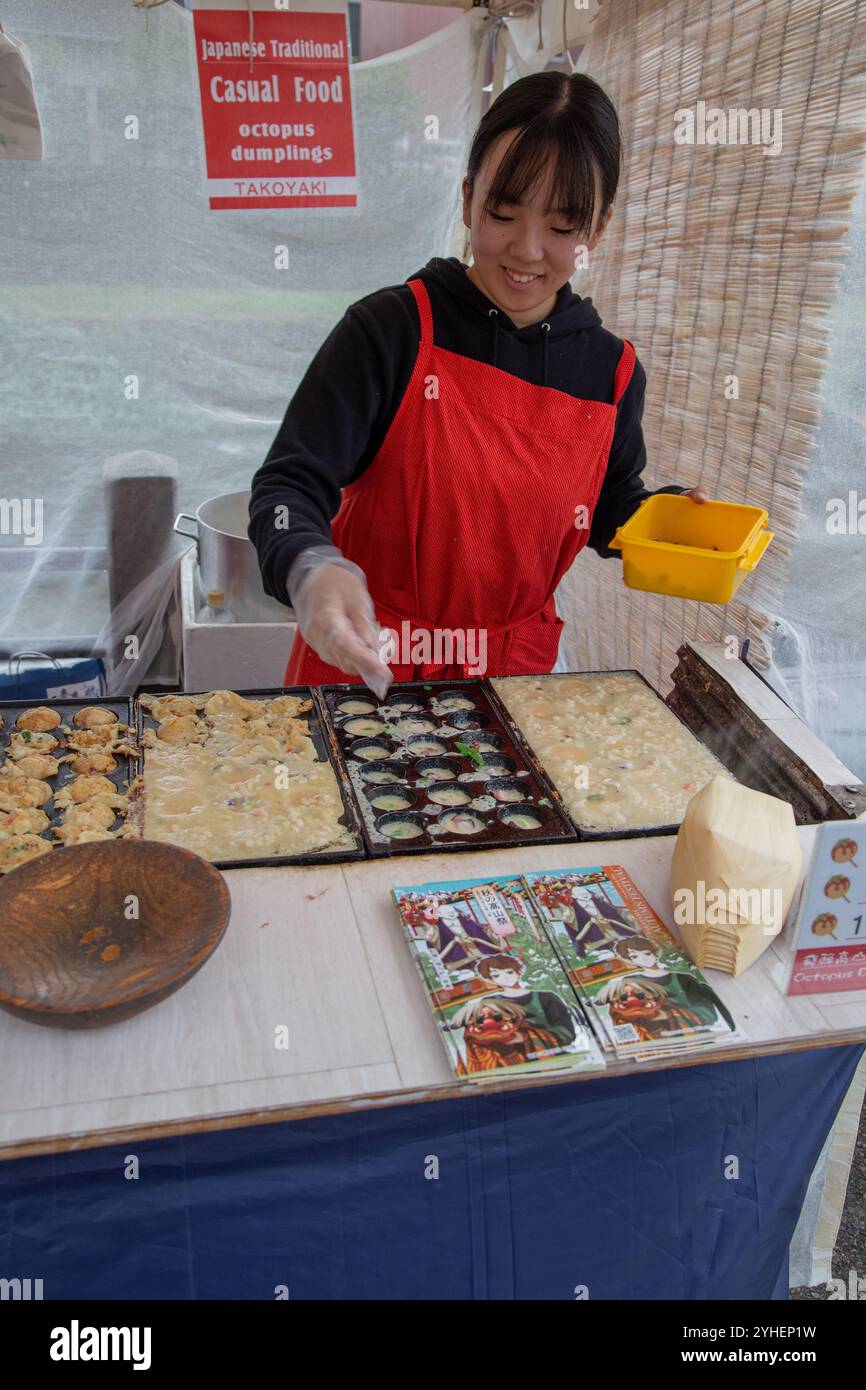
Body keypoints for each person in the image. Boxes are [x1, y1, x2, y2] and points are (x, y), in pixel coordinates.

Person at [249, 71, 707, 696]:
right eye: (503, 213)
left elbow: (606, 507)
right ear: (468, 201)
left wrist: (667, 522)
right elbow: (289, 484)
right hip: (366, 668)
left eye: (561, 227)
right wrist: (310, 567)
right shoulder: (390, 331)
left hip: (511, 688)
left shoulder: (611, 373)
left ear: (596, 230)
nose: (526, 250)